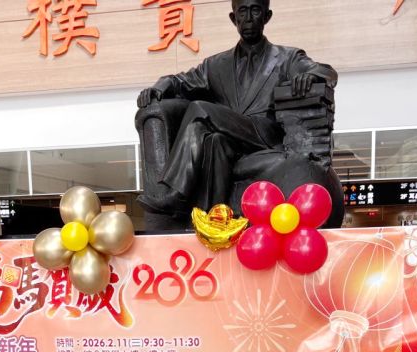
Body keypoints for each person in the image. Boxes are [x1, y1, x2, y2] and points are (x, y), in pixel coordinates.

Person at [136, 0, 337, 216]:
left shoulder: (287, 57)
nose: (248, 18)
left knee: (199, 109)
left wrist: (310, 75)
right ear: (234, 18)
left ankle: (176, 193)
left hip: (264, 134)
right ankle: (211, 218)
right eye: (242, 11)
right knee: (213, 139)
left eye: (255, 10)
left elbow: (327, 72)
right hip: (230, 139)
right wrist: (160, 86)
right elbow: (181, 81)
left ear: (267, 16)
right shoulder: (215, 65)